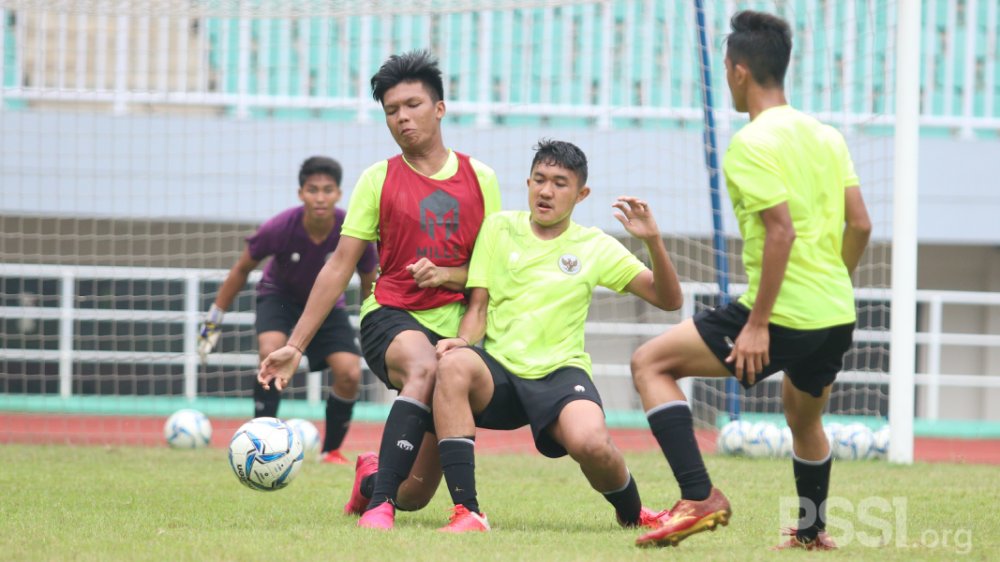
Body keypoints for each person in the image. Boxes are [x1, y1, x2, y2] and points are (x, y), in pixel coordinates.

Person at [629, 10, 872, 550]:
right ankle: (812, 535)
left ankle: (698, 497)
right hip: (835, 313)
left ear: (738, 71)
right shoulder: (826, 135)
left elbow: (780, 232)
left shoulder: (751, 142)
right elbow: (861, 224)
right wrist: (832, 281)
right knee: (802, 417)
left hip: (780, 313)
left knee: (650, 363)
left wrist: (758, 324)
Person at [257, 50, 501, 530]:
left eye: (412, 105)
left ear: (440, 108)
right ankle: (378, 506)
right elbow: (338, 267)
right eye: (392, 110)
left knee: (416, 495)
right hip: (391, 314)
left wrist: (453, 285)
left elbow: (487, 272)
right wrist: (294, 345)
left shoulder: (482, 178)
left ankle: (373, 480)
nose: (402, 118)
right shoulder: (379, 178)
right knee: (424, 365)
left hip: (456, 330)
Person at [431, 139, 686, 533]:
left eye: (560, 183)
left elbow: (669, 300)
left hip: (559, 375)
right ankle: (469, 512)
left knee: (592, 445)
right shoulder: (499, 227)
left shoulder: (595, 245)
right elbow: (478, 306)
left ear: (581, 193)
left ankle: (634, 513)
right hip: (498, 370)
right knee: (453, 364)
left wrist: (653, 241)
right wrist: (463, 343)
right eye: (539, 180)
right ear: (529, 182)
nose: (546, 191)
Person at [197, 156, 379, 464]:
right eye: (312, 189)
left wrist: (374, 323)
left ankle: (330, 452)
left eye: (327, 189)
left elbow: (368, 280)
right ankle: (259, 441)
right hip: (278, 298)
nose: (320, 197)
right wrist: (214, 320)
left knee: (349, 372)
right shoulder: (280, 227)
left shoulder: (352, 231)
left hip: (325, 307)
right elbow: (242, 270)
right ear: (301, 194)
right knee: (270, 349)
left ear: (338, 193)